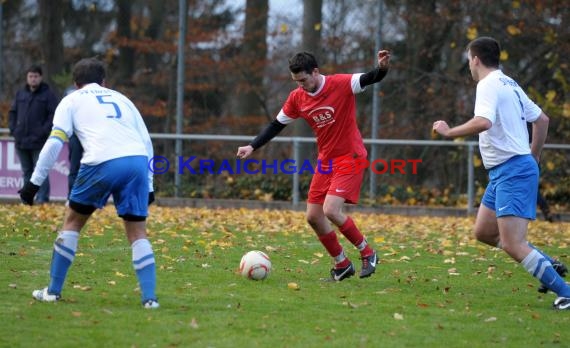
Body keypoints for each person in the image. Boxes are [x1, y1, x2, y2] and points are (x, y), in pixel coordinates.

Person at [432, 36, 569, 310]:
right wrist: (534, 156)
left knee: (512, 244)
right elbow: (541, 120)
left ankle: (565, 292)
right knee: (483, 232)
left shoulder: (488, 84)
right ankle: (547, 264)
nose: (469, 67)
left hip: (513, 170)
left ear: (475, 59)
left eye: (468, 61)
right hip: (507, 170)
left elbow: (483, 121)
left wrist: (450, 132)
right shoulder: (510, 83)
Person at [237, 50, 390, 281]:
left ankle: (368, 253)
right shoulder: (297, 97)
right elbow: (276, 124)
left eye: (304, 80)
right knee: (314, 216)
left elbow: (372, 77)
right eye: (296, 82)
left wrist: (383, 68)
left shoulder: (341, 83)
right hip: (326, 162)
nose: (301, 86)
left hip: (351, 156)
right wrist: (252, 146)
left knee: (331, 210)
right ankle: (342, 264)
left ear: (316, 72)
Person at [18, 58, 158, 309]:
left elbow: (54, 143)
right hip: (136, 160)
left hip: (102, 161)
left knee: (72, 222)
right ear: (104, 82)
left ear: (75, 83)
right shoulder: (123, 99)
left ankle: (52, 291)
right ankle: (150, 299)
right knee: (137, 232)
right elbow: (147, 143)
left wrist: (33, 183)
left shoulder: (71, 100)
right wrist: (149, 184)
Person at [8, 65, 59, 204]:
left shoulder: (48, 94)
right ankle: (27, 199)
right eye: (30, 76)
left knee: (40, 170)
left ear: (41, 77)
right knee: (27, 172)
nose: (33, 79)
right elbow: (12, 112)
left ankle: (43, 199)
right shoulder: (20, 93)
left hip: (39, 141)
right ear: (27, 78)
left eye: (36, 76)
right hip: (22, 141)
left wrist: (43, 131)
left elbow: (53, 115)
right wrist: (13, 129)